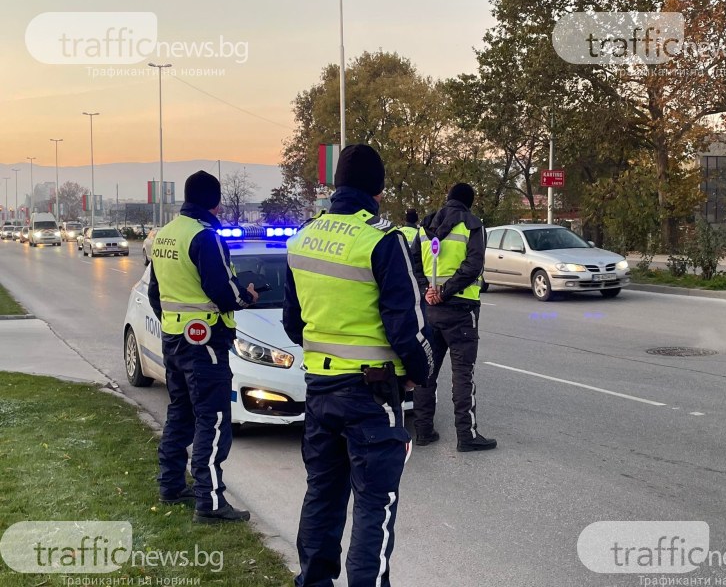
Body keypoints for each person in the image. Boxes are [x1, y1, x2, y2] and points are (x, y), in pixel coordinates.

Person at [284, 144, 432, 587]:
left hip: (320, 390)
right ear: (379, 190)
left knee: (323, 497)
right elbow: (407, 326)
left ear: (336, 185)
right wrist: (419, 374)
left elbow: (294, 324)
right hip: (371, 395)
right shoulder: (382, 240)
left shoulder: (302, 238)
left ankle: (313, 581)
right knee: (375, 506)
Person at [147, 170, 258, 523]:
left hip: (174, 340)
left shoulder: (166, 235)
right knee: (213, 419)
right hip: (206, 342)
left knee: (181, 413)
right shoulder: (205, 237)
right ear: (215, 201)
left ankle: (170, 485)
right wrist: (248, 295)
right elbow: (224, 293)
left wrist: (174, 322)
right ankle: (209, 503)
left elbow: (155, 293)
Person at [410, 182, 497, 452]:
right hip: (461, 311)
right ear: (469, 202)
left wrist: (428, 291)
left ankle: (423, 431)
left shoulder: (425, 225)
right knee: (463, 374)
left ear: (447, 199)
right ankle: (466, 436)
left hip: (431, 311)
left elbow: (413, 263)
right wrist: (446, 292)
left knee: (427, 373)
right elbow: (473, 266)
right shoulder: (472, 224)